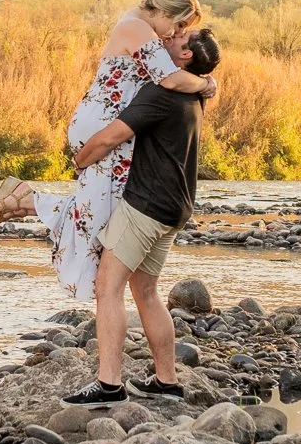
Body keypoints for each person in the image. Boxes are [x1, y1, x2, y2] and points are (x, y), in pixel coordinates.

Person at [0, 0, 217, 303]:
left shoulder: (143, 29)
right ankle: (31, 204)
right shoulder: (136, 27)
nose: (174, 33)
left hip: (109, 127)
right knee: (100, 219)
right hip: (106, 129)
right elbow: (170, 79)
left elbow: (168, 76)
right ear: (164, 11)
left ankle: (27, 200)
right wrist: (206, 83)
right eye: (177, 24)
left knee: (96, 210)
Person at [59, 27, 208, 405]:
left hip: (146, 206)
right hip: (175, 207)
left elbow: (111, 137)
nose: (170, 36)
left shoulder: (163, 93)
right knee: (146, 291)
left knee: (107, 287)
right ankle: (167, 382)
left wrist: (78, 160)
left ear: (186, 56)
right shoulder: (193, 97)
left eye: (179, 37)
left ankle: (108, 385)